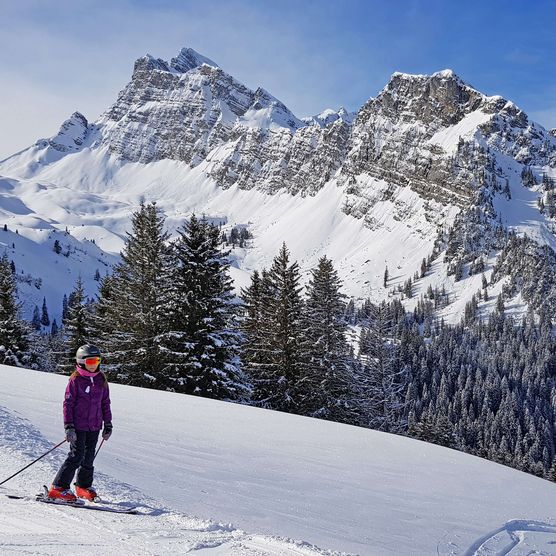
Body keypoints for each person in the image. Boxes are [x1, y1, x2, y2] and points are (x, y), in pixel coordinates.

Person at [48, 344, 113, 502]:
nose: (94, 365)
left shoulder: (101, 379)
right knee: (76, 456)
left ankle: (83, 486)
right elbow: (67, 404)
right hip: (78, 426)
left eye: (97, 361)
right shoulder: (76, 380)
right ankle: (59, 487)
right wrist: (69, 426)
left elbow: (105, 403)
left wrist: (108, 424)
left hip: (94, 426)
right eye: (90, 362)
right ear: (81, 362)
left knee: (89, 457)